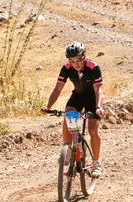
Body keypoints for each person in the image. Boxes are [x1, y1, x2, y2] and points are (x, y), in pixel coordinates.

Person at [41, 42, 105, 177]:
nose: (75, 63)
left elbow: (99, 89)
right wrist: (48, 106)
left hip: (93, 99)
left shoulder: (93, 67)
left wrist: (98, 107)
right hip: (78, 96)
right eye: (72, 60)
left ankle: (96, 163)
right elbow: (58, 88)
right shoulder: (66, 68)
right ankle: (70, 150)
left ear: (84, 56)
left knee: (92, 130)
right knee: (68, 116)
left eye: (78, 60)